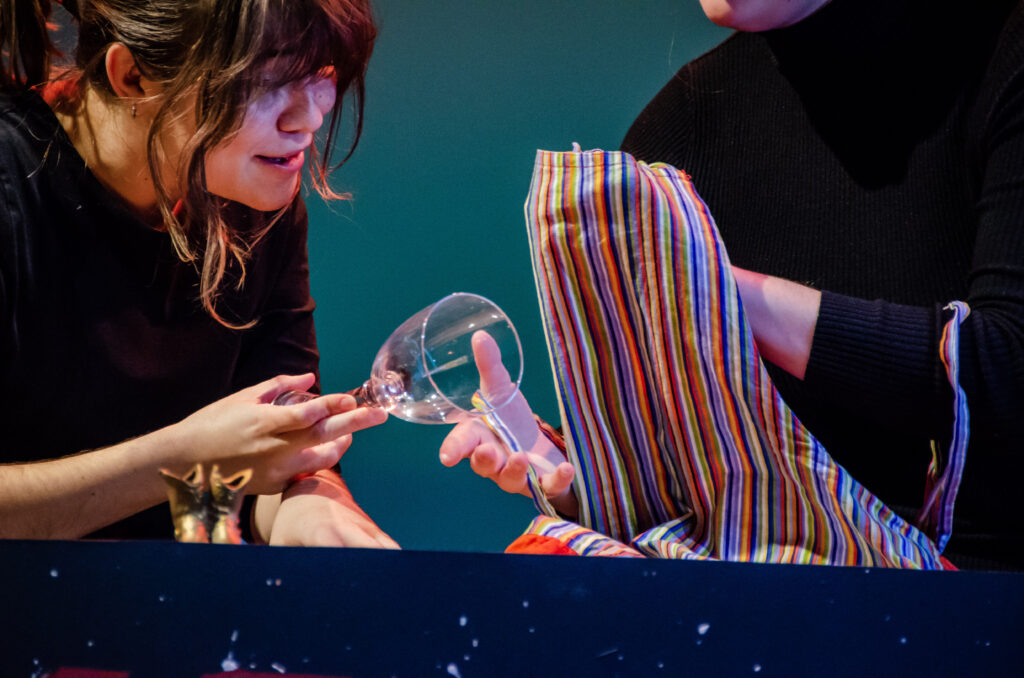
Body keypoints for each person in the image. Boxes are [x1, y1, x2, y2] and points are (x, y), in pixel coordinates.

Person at [442, 0, 1024, 570]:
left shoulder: (1004, 50)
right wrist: (579, 479)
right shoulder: (681, 123)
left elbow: (1008, 370)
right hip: (768, 594)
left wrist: (709, 286)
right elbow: (683, 501)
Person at [0, 0, 397, 548]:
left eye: (321, 75)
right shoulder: (12, 187)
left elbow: (276, 453)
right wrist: (183, 460)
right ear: (131, 76)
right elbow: (209, 461)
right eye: (268, 81)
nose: (308, 119)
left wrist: (315, 505)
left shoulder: (255, 203)